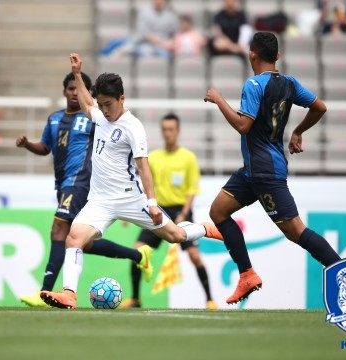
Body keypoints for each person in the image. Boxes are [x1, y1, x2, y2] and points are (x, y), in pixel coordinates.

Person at [39, 54, 223, 309]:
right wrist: (78, 74)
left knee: (176, 236)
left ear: (121, 99)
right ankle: (69, 293)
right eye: (101, 104)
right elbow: (85, 103)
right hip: (99, 200)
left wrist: (152, 203)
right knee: (74, 239)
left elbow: (144, 168)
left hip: (130, 198)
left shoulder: (133, 127)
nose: (104, 109)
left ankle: (204, 228)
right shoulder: (101, 116)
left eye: (108, 104)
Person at [204, 32, 341, 305]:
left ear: (251, 55)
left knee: (295, 231)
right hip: (254, 170)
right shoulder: (289, 83)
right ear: (277, 56)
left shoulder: (254, 84)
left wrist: (219, 100)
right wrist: (298, 131)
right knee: (218, 211)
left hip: (265, 172)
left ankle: (343, 273)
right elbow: (320, 107)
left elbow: (244, 125)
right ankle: (247, 275)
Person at [16, 72, 155, 307]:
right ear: (63, 92)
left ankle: (45, 292)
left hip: (82, 182)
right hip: (62, 184)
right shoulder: (54, 119)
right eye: (69, 89)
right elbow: (45, 147)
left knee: (59, 229)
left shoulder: (95, 118)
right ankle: (138, 255)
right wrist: (28, 144)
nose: (73, 93)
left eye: (76, 89)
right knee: (81, 243)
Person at [122, 113, 218, 310]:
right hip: (158, 210)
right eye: (164, 129)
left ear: (178, 131)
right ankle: (136, 299)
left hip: (180, 211)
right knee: (137, 251)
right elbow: (145, 184)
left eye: (171, 129)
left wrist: (183, 214)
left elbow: (192, 190)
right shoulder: (154, 157)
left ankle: (209, 299)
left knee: (195, 257)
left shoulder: (188, 158)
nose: (167, 133)